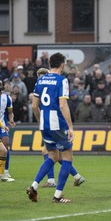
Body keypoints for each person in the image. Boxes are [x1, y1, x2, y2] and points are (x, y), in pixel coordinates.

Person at [27, 53, 79, 203]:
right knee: (67, 157)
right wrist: (70, 126)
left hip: (45, 124)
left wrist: (40, 122)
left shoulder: (41, 79)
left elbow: (35, 106)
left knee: (53, 156)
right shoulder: (62, 80)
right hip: (57, 124)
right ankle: (57, 196)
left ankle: (33, 186)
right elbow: (63, 105)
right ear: (62, 64)